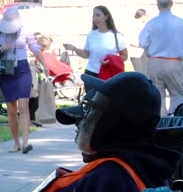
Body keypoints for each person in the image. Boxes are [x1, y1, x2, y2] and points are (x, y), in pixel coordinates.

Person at [38, 72, 182, 191]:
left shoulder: (109, 179)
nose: (85, 117)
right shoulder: (146, 167)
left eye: (91, 108)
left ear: (111, 120)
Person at [0, 7, 49, 154]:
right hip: (6, 71)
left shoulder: (25, 30)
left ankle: (26, 142)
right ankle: (16, 143)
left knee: (24, 106)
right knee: (12, 109)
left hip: (22, 69)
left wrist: (44, 64)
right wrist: (3, 48)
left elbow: (34, 48)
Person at [63, 5, 128, 92]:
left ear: (106, 16)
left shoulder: (116, 36)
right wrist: (74, 48)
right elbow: (86, 54)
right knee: (92, 101)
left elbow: (124, 56)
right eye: (93, 16)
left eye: (98, 15)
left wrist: (110, 60)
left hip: (109, 74)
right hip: (91, 73)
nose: (95, 18)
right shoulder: (91, 34)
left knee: (107, 102)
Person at [139, 0, 183, 116]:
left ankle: (161, 124)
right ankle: (176, 122)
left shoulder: (151, 23)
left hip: (155, 62)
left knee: (158, 97)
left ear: (157, 5)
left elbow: (142, 42)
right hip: (174, 62)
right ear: (172, 4)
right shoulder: (180, 23)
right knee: (178, 94)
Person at [129, 8, 148, 75]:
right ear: (142, 16)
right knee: (140, 73)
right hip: (135, 53)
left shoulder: (144, 25)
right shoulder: (132, 26)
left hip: (144, 52)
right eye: (146, 15)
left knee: (147, 73)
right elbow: (131, 41)